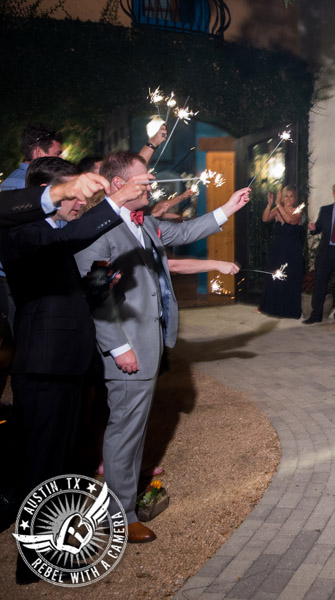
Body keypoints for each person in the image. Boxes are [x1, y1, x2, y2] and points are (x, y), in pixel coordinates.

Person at [75, 151, 250, 544]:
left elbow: (186, 233)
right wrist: (119, 347)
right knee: (124, 431)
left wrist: (227, 207)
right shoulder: (96, 228)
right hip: (128, 346)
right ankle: (120, 515)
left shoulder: (145, 223)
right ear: (119, 184)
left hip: (149, 341)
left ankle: (125, 498)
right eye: (144, 179)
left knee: (134, 429)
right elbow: (97, 296)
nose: (151, 184)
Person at [0, 157, 141, 586]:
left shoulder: (52, 235)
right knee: (39, 466)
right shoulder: (20, 231)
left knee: (59, 464)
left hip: (65, 363)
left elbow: (60, 283)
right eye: (73, 194)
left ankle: (52, 551)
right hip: (42, 367)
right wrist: (115, 200)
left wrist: (96, 285)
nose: (80, 202)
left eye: (82, 194)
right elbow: (70, 240)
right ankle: (32, 563)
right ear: (44, 192)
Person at [305, 183, 335, 325]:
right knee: (319, 284)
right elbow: (318, 228)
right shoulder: (325, 210)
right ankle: (316, 315)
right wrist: (313, 229)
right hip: (326, 253)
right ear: (333, 194)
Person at [258, 185, 306, 319]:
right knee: (275, 277)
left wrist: (278, 204)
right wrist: (270, 204)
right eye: (286, 196)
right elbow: (265, 218)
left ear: (294, 198)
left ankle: (289, 311)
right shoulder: (277, 209)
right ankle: (272, 309)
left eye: (291, 196)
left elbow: (291, 220)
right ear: (282, 198)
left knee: (290, 277)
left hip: (292, 250)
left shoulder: (298, 210)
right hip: (278, 249)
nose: (289, 198)